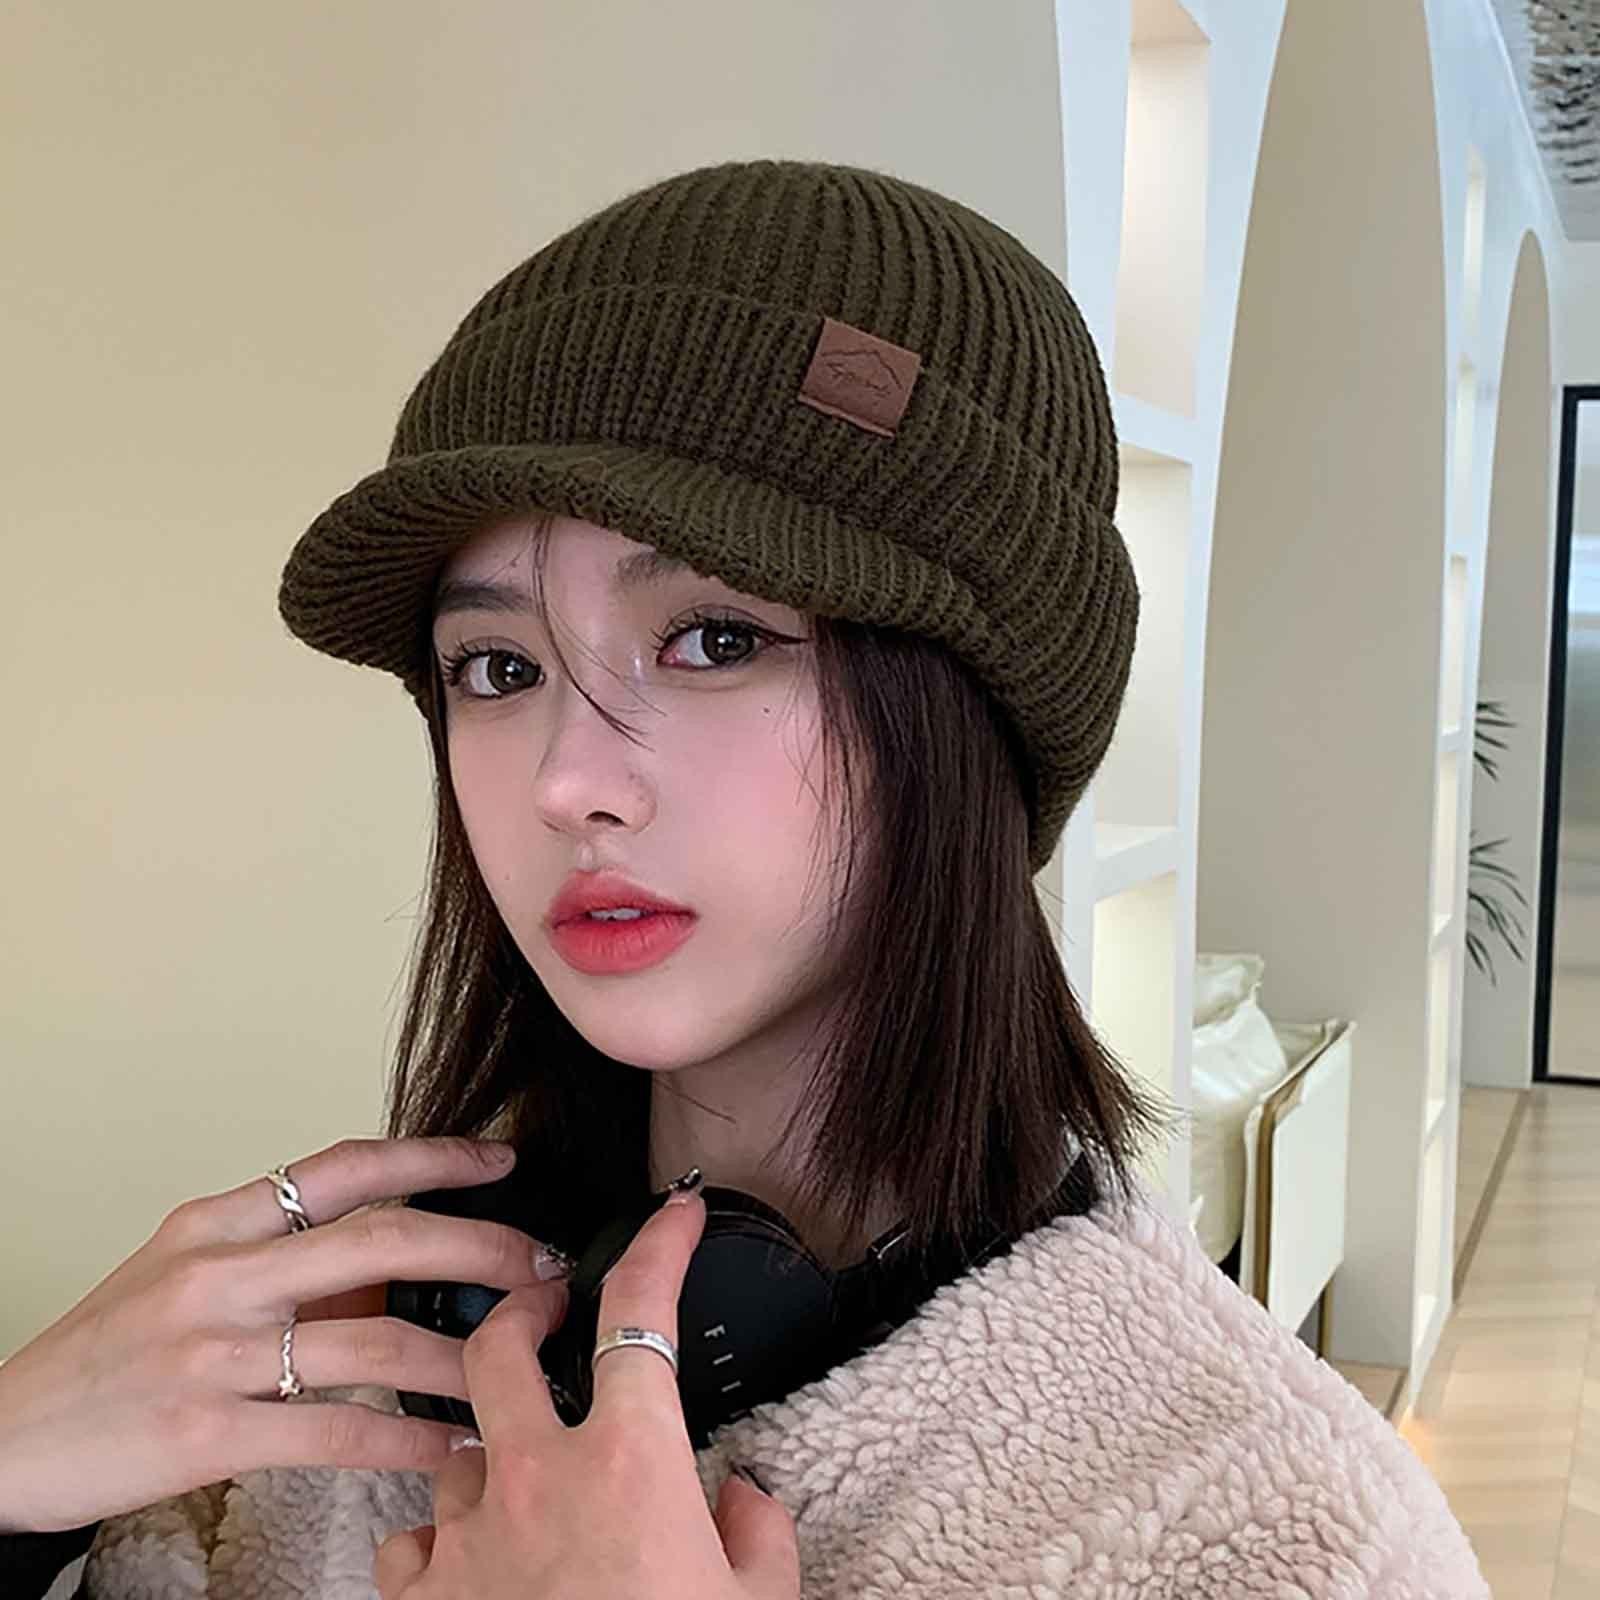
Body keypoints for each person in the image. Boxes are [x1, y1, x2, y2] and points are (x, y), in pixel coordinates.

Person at [0, 157, 1489, 1599]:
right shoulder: (342, 1353)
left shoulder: (1293, 1541)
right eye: (497, 666)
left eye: (715, 639)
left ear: (968, 711)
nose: (566, 781)